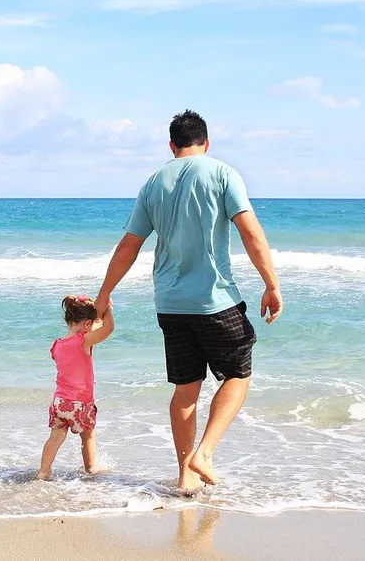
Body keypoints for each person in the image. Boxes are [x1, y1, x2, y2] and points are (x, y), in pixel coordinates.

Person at [94, 109, 282, 492]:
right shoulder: (222, 173)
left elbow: (130, 245)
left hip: (170, 303)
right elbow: (250, 231)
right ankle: (205, 453)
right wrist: (271, 284)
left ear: (172, 145)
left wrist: (105, 292)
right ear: (206, 143)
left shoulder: (153, 183)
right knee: (238, 375)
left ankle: (185, 475)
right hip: (213, 300)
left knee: (186, 389)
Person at [36, 295, 115, 480]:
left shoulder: (56, 345)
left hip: (59, 403)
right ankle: (90, 470)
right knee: (88, 436)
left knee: (55, 438)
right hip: (81, 404)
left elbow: (89, 328)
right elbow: (108, 328)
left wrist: (94, 316)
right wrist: (108, 308)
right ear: (87, 325)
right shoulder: (84, 341)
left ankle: (43, 472)